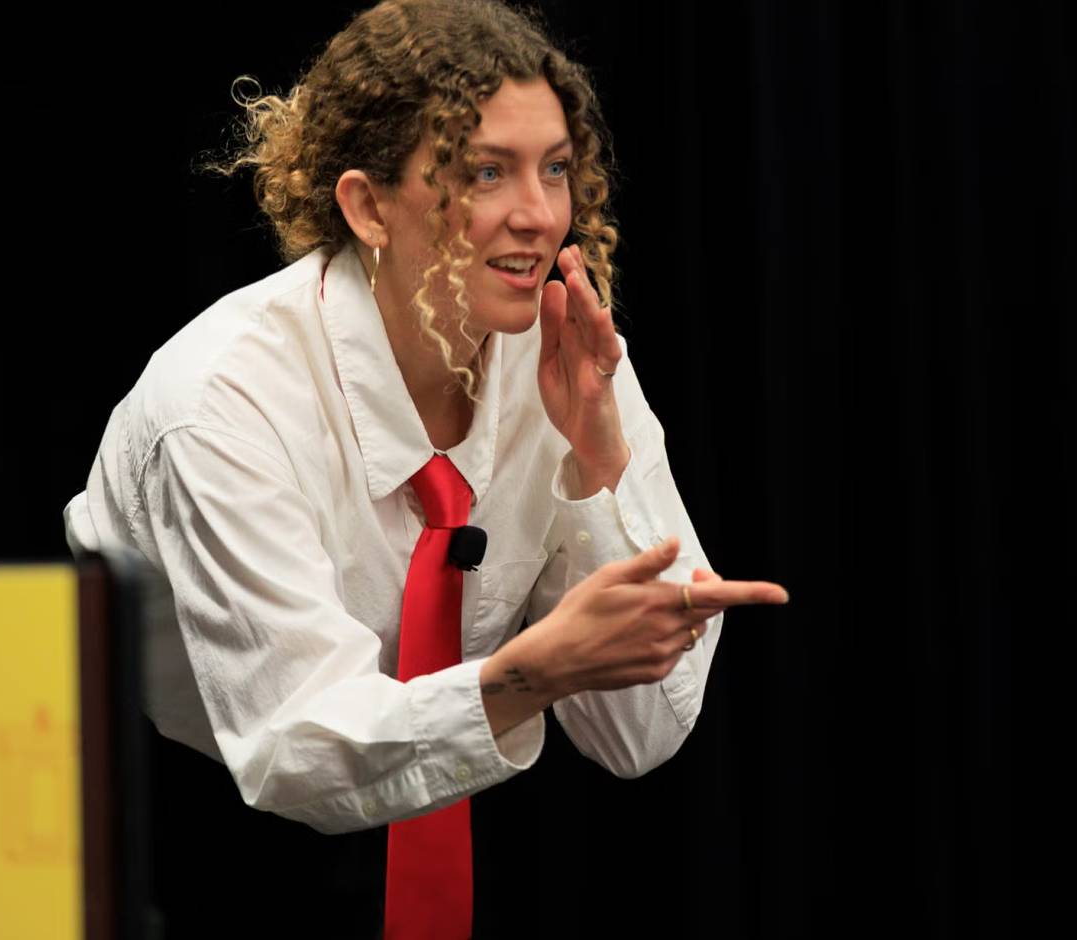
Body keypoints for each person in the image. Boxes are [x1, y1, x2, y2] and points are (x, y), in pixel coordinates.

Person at [63, 0, 789, 935]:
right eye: (486, 172)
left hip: (443, 785)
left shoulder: (558, 353)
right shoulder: (221, 402)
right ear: (368, 204)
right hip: (179, 822)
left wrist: (600, 449)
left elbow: (640, 735)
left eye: (556, 168)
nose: (539, 215)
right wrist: (528, 677)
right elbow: (294, 747)